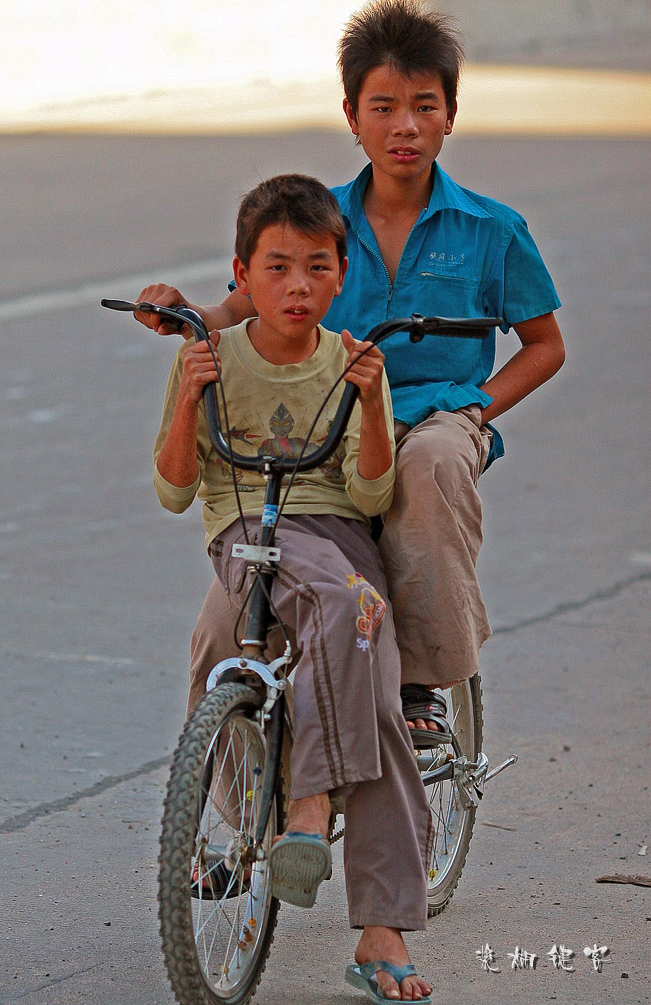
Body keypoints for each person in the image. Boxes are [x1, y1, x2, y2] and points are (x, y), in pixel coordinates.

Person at [137, 0, 565, 740]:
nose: (404, 125)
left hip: (434, 417)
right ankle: (221, 836)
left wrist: (472, 408)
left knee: (428, 463)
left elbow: (544, 344)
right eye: (383, 106)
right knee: (222, 632)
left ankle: (421, 683)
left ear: (450, 115)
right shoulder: (317, 220)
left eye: (423, 105)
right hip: (319, 431)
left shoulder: (493, 231)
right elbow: (244, 307)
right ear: (351, 114)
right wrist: (186, 316)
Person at [154, 172, 434, 1003]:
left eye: (316, 267)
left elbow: (373, 495)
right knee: (288, 629)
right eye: (276, 268)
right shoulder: (209, 358)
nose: (297, 287)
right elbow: (174, 491)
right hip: (243, 531)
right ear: (239, 275)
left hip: (335, 532)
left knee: (359, 641)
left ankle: (343, 870)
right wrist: (189, 398)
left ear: (341, 275)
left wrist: (372, 404)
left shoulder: (353, 364)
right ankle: (275, 820)